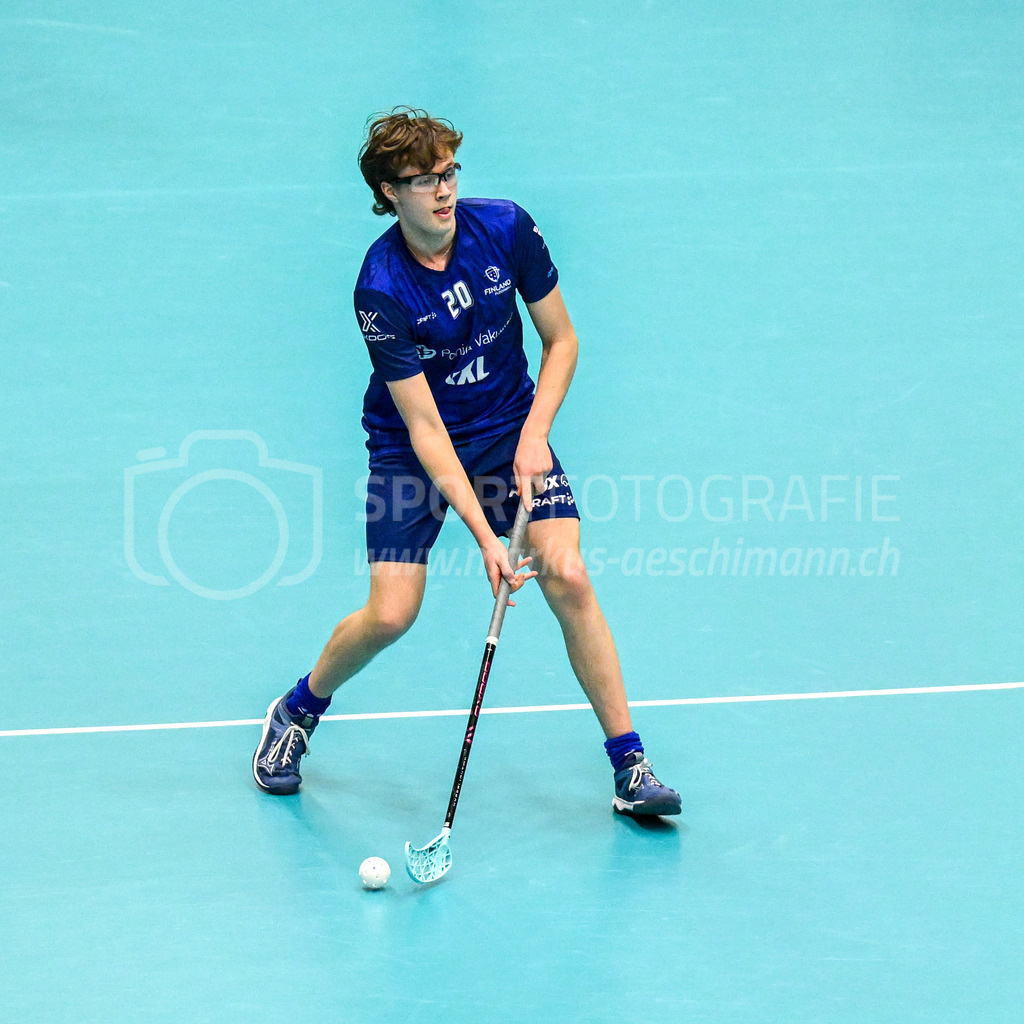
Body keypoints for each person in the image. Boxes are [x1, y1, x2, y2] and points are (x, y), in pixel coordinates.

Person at [252, 107, 680, 817]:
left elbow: (562, 340)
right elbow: (422, 427)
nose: (443, 191)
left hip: (509, 425)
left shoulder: (506, 227)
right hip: (410, 452)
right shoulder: (381, 288)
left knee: (568, 574)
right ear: (389, 191)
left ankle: (631, 767)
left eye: (448, 173)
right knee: (392, 614)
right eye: (423, 180)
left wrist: (534, 431)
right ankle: (296, 710)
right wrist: (486, 537)